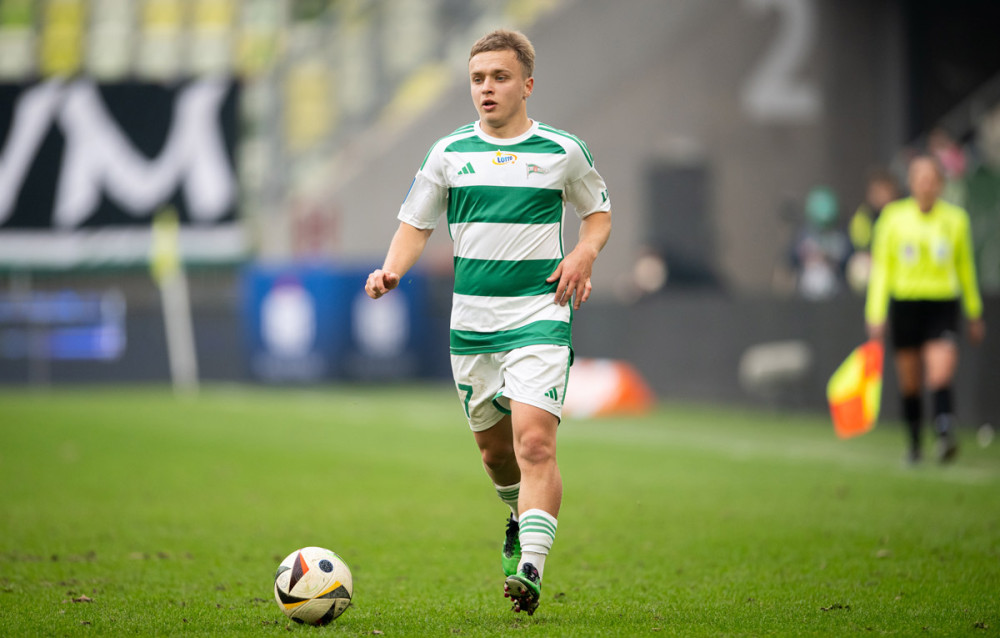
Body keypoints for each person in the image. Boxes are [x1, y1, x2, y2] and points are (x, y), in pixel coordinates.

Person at [364, 29, 612, 615]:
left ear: (527, 84)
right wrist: (391, 270)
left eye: (500, 77)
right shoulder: (448, 153)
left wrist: (584, 252)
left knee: (535, 443)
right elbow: (415, 224)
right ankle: (517, 516)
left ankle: (531, 568)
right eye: (478, 78)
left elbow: (598, 213)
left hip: (540, 314)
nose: (487, 88)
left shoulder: (563, 151)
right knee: (496, 457)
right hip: (473, 325)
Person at [865, 154, 986, 464]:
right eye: (920, 178)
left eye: (932, 179)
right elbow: (882, 269)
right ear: (911, 183)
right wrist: (875, 313)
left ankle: (945, 433)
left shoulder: (956, 220)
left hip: (941, 304)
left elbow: (965, 267)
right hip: (905, 304)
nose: (926, 185)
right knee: (910, 380)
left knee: (940, 371)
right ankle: (915, 443)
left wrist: (974, 311)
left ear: (940, 184)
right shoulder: (893, 218)